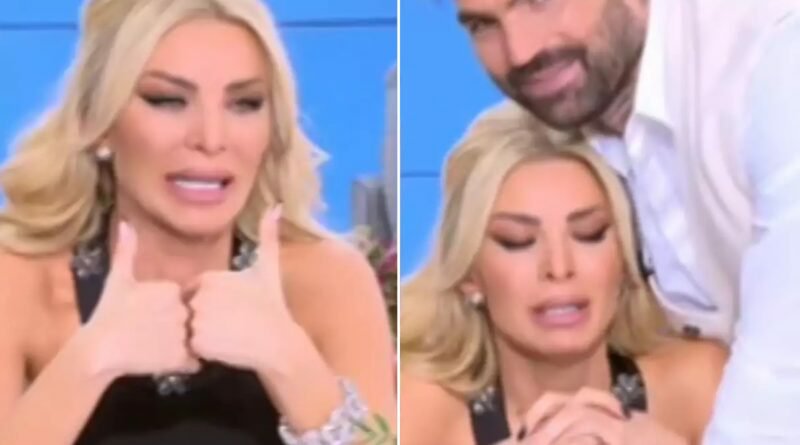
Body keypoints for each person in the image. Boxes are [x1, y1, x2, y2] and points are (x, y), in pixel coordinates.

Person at [0, 0, 395, 443]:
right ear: (100, 122)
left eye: (244, 104)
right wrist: (89, 361)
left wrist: (290, 362)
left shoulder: (330, 281)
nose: (211, 138)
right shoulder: (18, 281)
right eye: (167, 101)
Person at [452, 0, 800, 441]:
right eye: (482, 24)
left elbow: (781, 380)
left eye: (539, 2)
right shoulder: (586, 129)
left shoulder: (774, 51)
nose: (520, 51)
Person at [400, 103, 726, 445]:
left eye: (589, 234)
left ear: (625, 257)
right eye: (518, 241)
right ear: (470, 274)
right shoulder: (416, 414)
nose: (559, 267)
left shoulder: (701, 387)